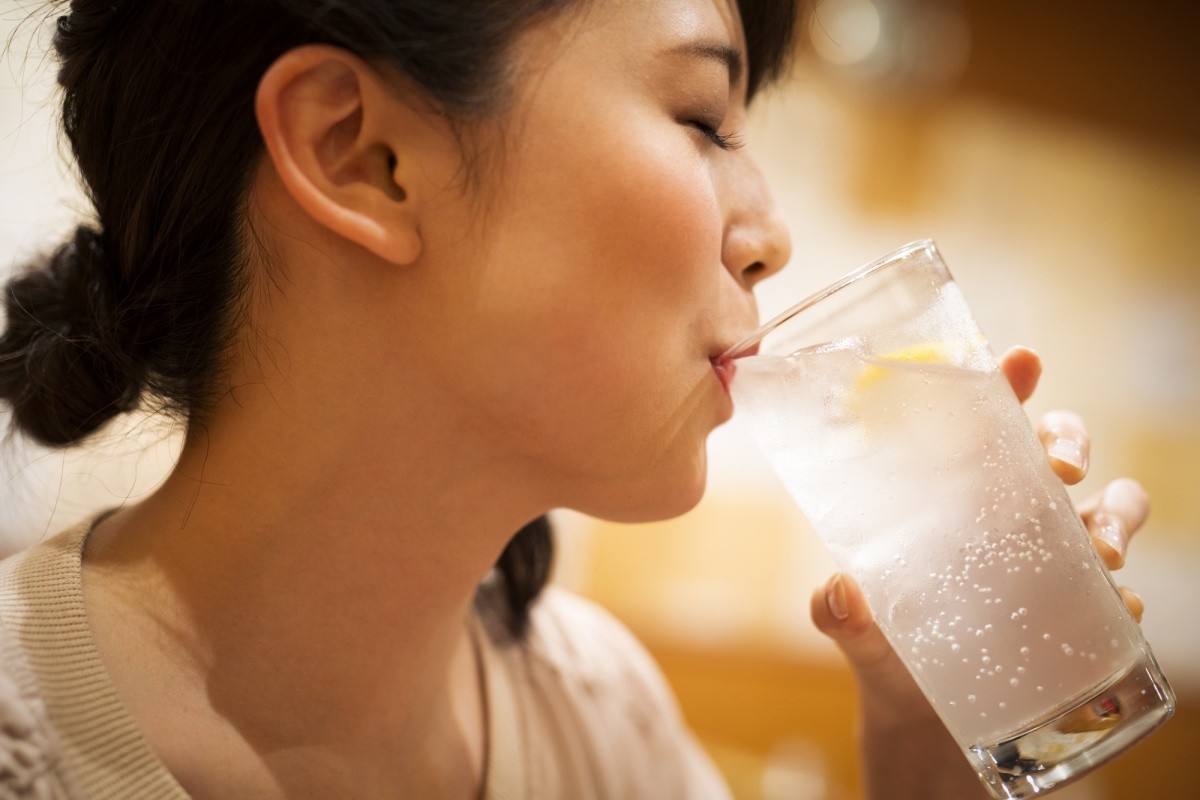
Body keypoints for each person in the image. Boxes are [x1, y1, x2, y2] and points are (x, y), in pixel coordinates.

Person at [0, 1, 1150, 798]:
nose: (772, 236)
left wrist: (926, 730)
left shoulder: (603, 717)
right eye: (703, 120)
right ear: (361, 153)